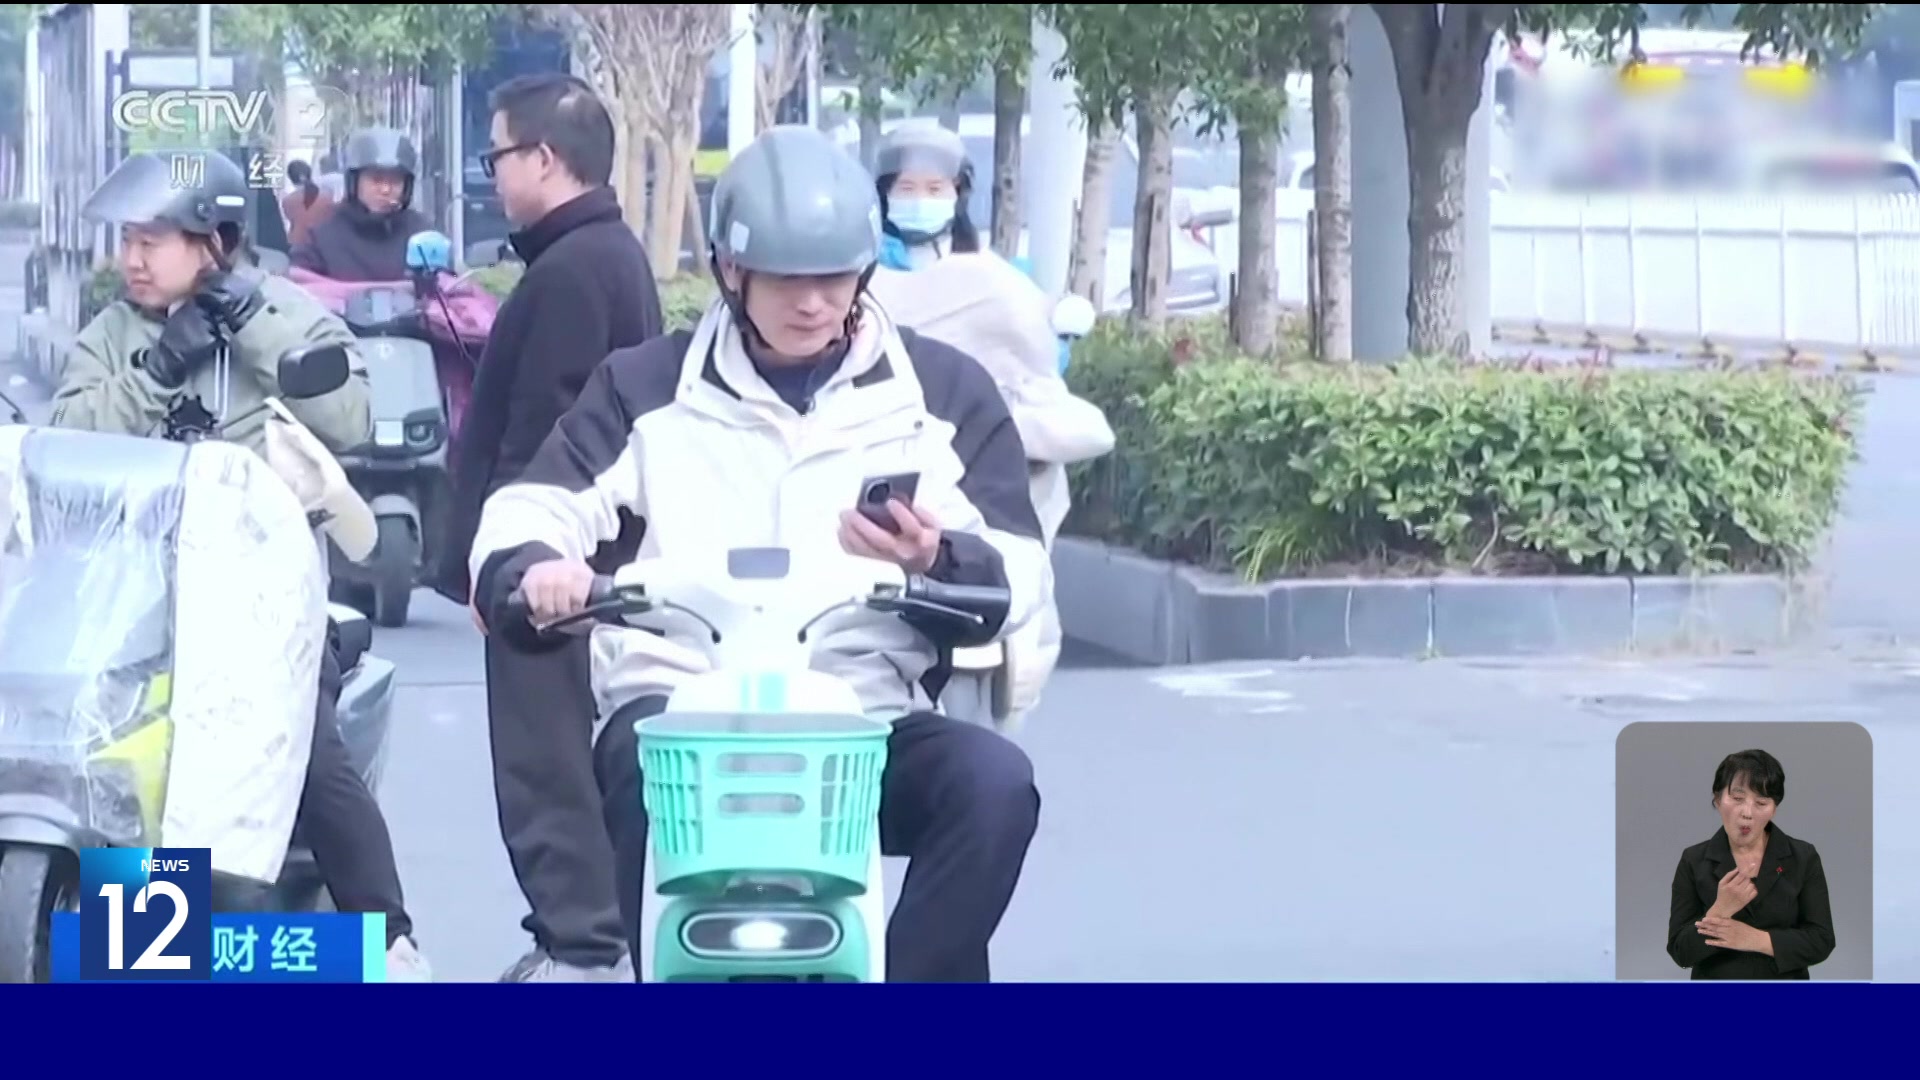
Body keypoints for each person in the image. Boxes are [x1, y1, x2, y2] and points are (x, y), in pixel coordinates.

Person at [470, 124, 1048, 983]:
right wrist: (533, 568)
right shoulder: (643, 386)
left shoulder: (942, 393)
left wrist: (939, 558)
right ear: (729, 272)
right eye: (784, 278)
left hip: (861, 729)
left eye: (831, 278)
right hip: (680, 727)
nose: (810, 302)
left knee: (997, 785)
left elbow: (1019, 566)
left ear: (862, 273)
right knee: (627, 762)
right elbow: (532, 504)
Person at [48, 149, 431, 981]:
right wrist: (159, 368)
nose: (134, 257)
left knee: (309, 748)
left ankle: (391, 940)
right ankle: (134, 953)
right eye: (128, 238)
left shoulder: (289, 315)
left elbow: (352, 417)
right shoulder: (110, 335)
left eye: (157, 237)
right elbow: (70, 440)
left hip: (271, 611)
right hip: (133, 608)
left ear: (217, 242)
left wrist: (248, 323)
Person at [429, 72, 663, 983]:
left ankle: (582, 946)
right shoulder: (593, 257)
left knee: (547, 762)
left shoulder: (575, 271)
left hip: (551, 580)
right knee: (561, 756)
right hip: (562, 571)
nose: (493, 174)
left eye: (497, 155)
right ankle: (583, 939)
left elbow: (550, 442)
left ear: (545, 159)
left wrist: (510, 567)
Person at [1667, 749, 1835, 980]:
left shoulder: (1803, 857)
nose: (1747, 813)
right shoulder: (1694, 860)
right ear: (1717, 800)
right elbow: (1680, 952)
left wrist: (1757, 940)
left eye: (1761, 802)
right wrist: (1720, 910)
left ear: (1774, 808)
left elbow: (1822, 940)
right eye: (1737, 799)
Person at [290, 128, 433, 281]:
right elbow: (300, 291)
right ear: (354, 182)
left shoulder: (423, 235)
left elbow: (448, 290)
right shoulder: (322, 239)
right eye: (376, 179)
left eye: (395, 181)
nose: (385, 190)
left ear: (407, 186)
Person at [873, 123, 982, 271]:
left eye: (935, 189)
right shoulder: (867, 261)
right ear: (885, 192)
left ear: (957, 191)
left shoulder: (979, 263)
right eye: (907, 188)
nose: (920, 200)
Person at [279, 159, 336, 248]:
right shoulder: (327, 196)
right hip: (322, 244)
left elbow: (290, 219)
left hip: (297, 244)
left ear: (291, 178)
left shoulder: (287, 200)